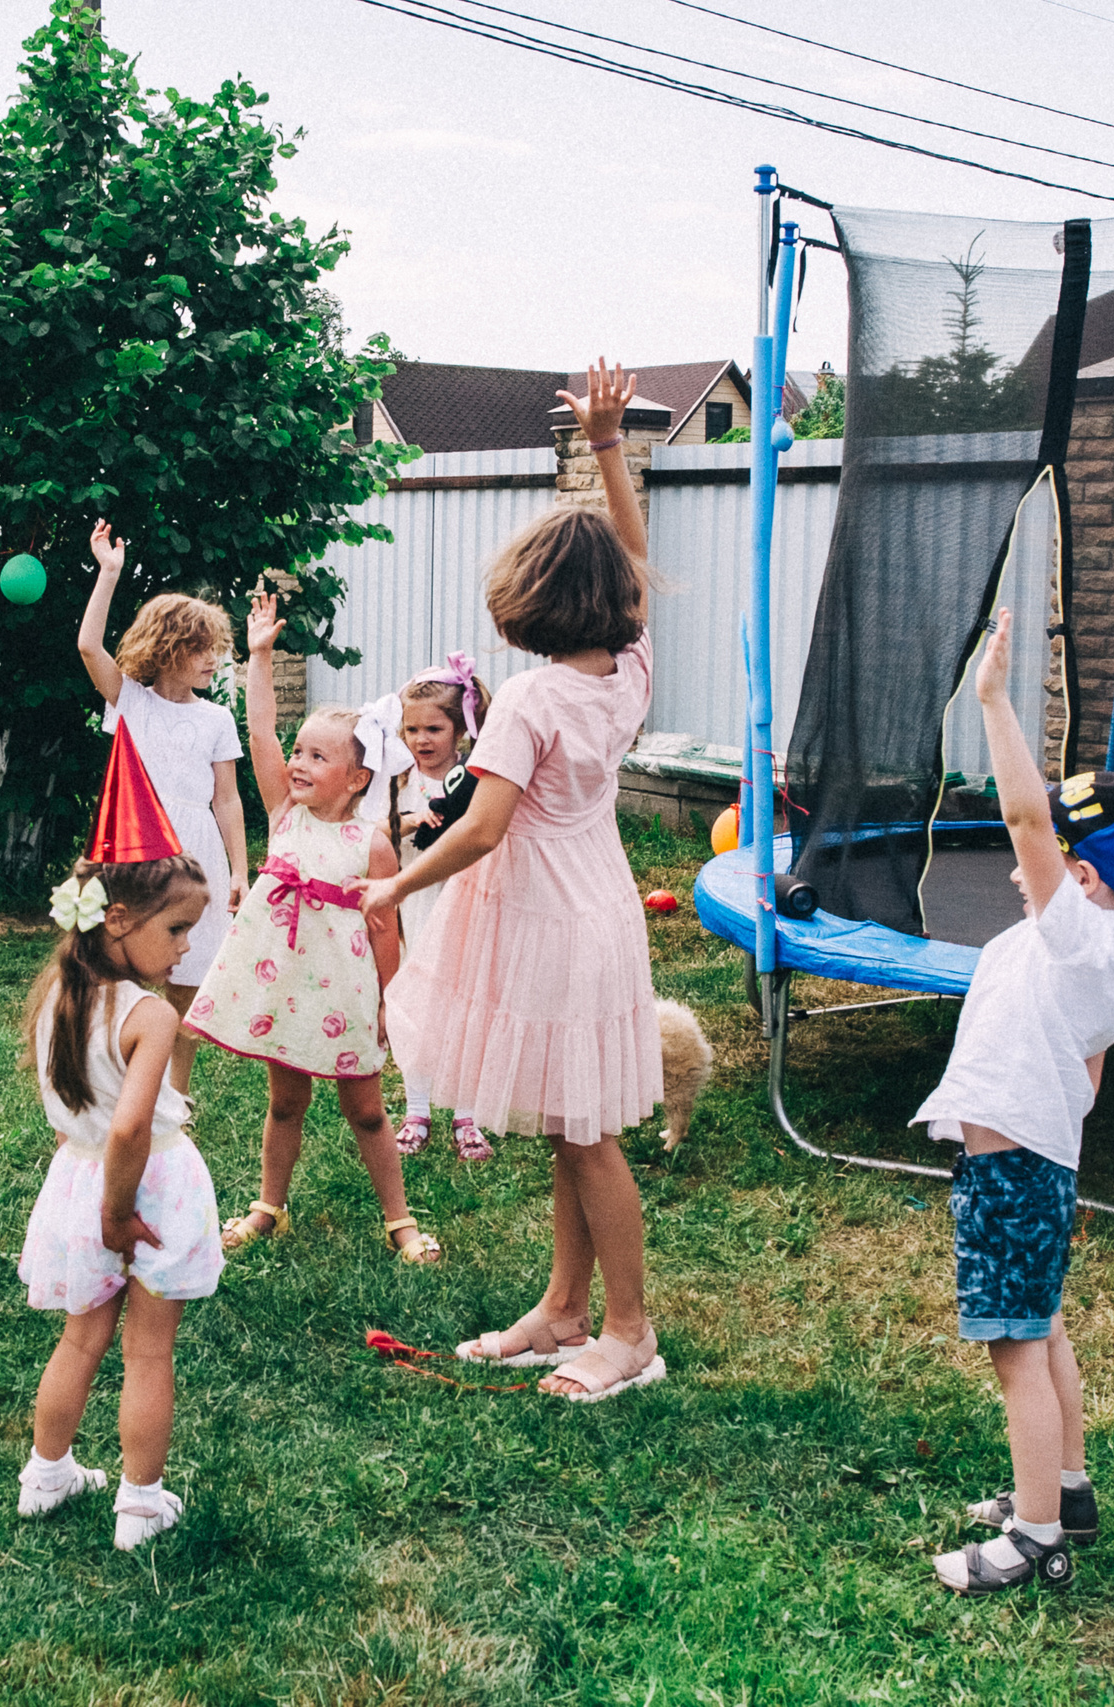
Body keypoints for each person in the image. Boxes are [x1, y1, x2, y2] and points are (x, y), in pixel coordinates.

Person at [360, 360, 664, 1400]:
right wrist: (611, 448)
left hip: (543, 917)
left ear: (528, 604)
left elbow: (483, 829)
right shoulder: (628, 667)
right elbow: (631, 554)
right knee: (574, 1124)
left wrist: (396, 888)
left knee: (587, 1140)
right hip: (597, 908)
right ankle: (563, 1310)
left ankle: (628, 1334)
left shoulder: (531, 698)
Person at [919, 607, 1114, 1595]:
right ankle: (1064, 1490)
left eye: (1055, 860)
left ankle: (1031, 1539)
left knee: (1015, 1349)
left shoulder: (1078, 938)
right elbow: (1090, 1073)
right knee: (1044, 1326)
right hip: (1032, 1164)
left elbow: (1025, 816)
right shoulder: (1092, 954)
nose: (1030, 870)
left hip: (1013, 1169)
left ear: (1085, 874)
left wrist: (990, 700)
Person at [186, 591, 441, 1265]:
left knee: (366, 1109)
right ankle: (268, 1205)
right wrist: (260, 656)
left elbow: (386, 931)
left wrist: (392, 1000)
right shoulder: (283, 814)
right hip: (285, 987)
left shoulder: (373, 844)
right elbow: (261, 732)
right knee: (285, 1102)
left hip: (346, 992)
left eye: (317, 757)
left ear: (357, 778)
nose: (297, 763)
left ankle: (400, 1218)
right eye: (299, 752)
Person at [15, 725, 224, 1551]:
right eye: (177, 931)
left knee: (80, 1335)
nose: (185, 947)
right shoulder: (152, 1014)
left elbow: (92, 1115)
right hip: (142, 1190)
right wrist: (118, 1208)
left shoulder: (59, 994)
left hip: (76, 1174)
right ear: (122, 918)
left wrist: (95, 1194)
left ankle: (46, 1473)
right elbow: (135, 1121)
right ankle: (140, 1503)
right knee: (148, 1353)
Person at [76, 524, 248, 1093]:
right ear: (169, 649)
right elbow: (87, 647)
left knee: (188, 977)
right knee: (121, 964)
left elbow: (227, 799)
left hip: (198, 855)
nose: (212, 661)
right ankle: (113, 1076)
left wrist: (242, 870)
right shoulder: (132, 702)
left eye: (215, 650)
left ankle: (174, 1091)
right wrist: (109, 572)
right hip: (138, 848)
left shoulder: (217, 718)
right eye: (201, 650)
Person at [382, 656, 493, 1162]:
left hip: (464, 906)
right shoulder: (396, 783)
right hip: (413, 909)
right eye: (411, 729)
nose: (422, 739)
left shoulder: (475, 783)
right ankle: (418, 1109)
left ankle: (467, 1113)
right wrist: (406, 822)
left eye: (434, 728)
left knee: (465, 1006)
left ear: (460, 729)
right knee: (414, 1006)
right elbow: (369, 835)